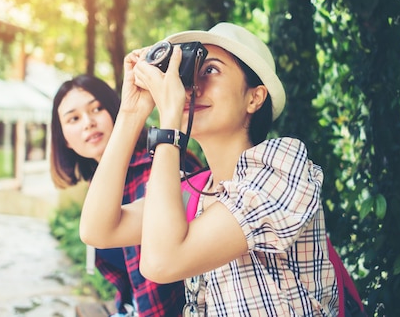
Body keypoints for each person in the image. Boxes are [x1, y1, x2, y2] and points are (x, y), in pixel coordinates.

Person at [79, 22, 339, 316]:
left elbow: (161, 262)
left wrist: (169, 122)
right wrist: (131, 112)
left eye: (211, 70)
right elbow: (97, 229)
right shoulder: (195, 193)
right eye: (188, 75)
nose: (192, 87)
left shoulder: (283, 169)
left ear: (254, 97)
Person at [50, 74, 202, 317]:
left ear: (114, 111)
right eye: (74, 119)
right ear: (64, 140)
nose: (88, 122)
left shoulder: (161, 167)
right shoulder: (99, 185)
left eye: (97, 108)